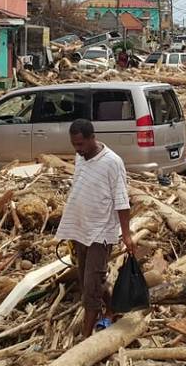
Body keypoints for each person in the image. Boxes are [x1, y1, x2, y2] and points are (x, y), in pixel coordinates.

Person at [55, 119, 136, 338]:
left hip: (101, 233)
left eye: (81, 144)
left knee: (90, 289)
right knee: (89, 281)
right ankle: (112, 308)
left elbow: (121, 200)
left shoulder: (112, 162)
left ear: (92, 138)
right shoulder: (81, 158)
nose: (77, 149)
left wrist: (126, 235)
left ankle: (85, 337)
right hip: (81, 230)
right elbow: (79, 188)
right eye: (74, 145)